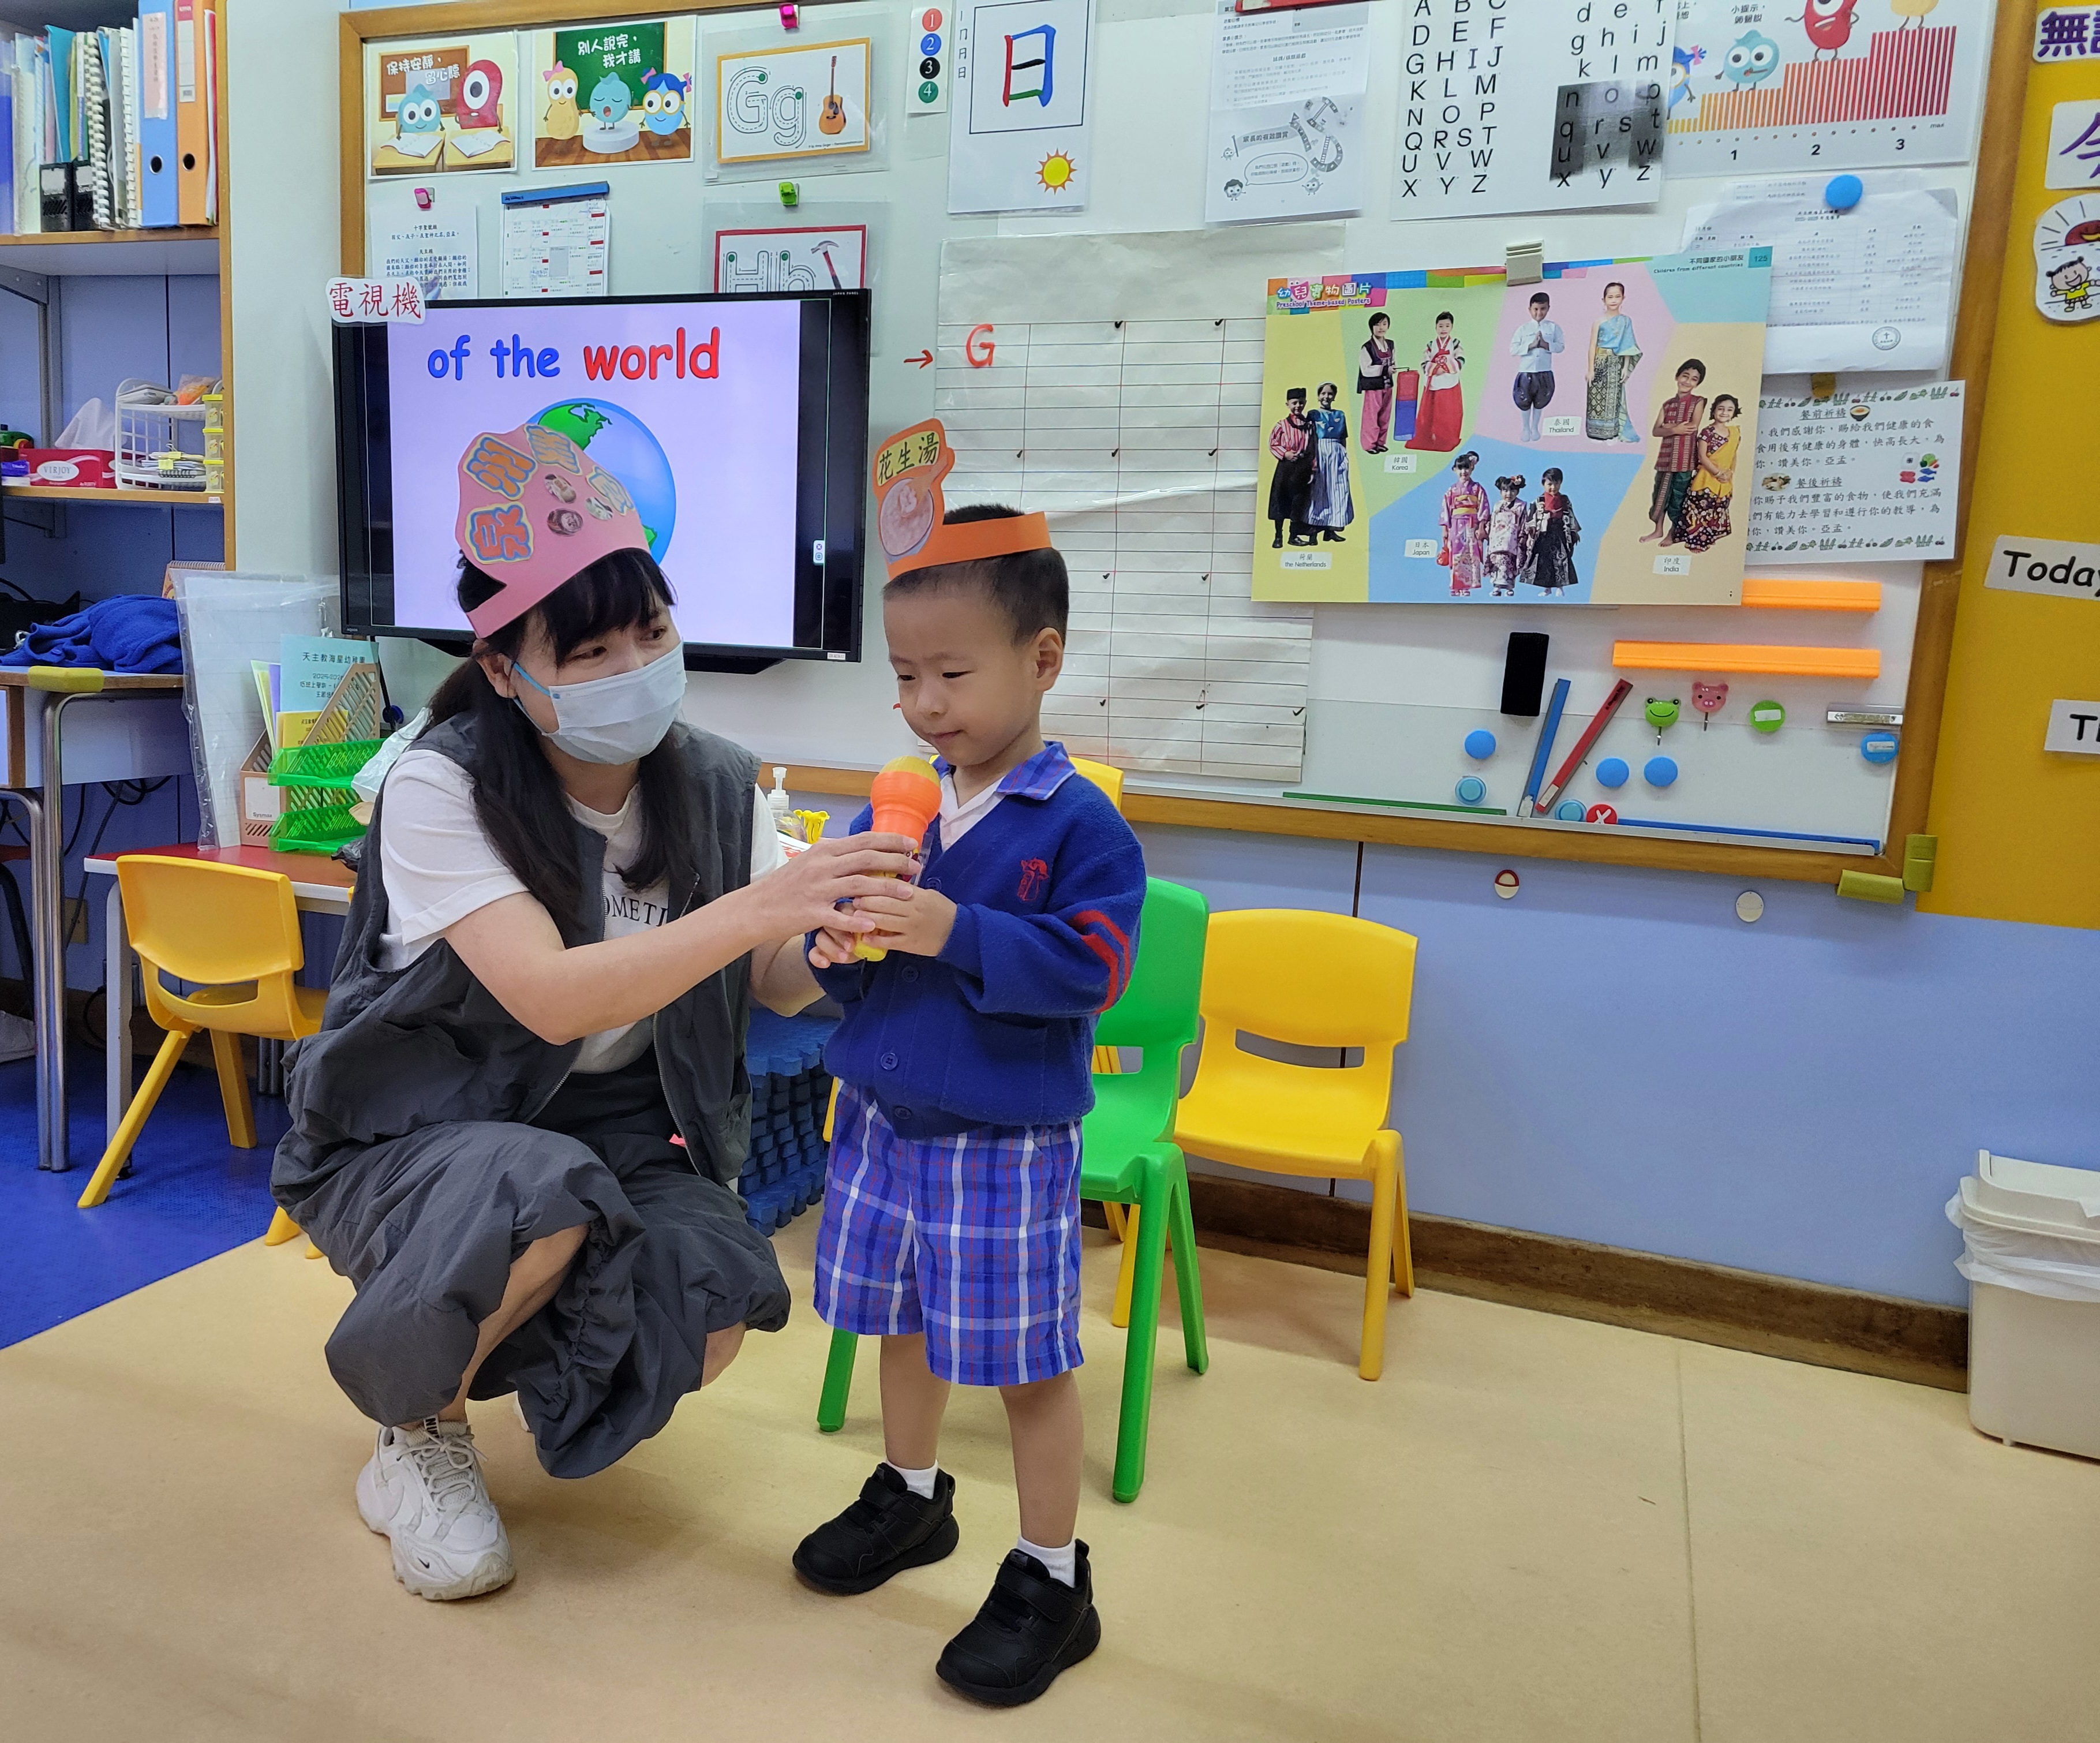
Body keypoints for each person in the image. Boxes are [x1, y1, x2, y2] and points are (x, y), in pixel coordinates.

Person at [271, 423, 919, 1604]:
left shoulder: (715, 780)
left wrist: (841, 941)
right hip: (418, 1130)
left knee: (709, 1297)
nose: (635, 664)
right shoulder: (440, 782)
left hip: (624, 1129)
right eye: (591, 650)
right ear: (503, 669)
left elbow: (768, 977)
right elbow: (549, 994)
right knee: (543, 1198)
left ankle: (467, 1332)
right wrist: (762, 903)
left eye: (652, 633)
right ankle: (417, 1434)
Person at [792, 455, 1146, 1709]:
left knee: (1024, 1362)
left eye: (951, 674)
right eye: (903, 676)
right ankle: (911, 1492)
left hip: (1002, 1142)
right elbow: (848, 976)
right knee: (897, 1322)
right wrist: (835, 948)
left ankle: (1052, 1575)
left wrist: (953, 929)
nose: (923, 705)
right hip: (879, 1122)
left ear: (1041, 660)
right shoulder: (891, 815)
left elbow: (1095, 969)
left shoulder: (1078, 824)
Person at [1642, 359, 1708, 544]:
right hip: (1665, 458)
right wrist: (1675, 429)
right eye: (1685, 376)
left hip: (1684, 459)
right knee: (1660, 496)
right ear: (1677, 377)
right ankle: (1658, 530)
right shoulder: (1667, 405)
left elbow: (1692, 427)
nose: (1688, 381)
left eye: (1694, 379)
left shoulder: (1698, 402)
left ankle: (1673, 533)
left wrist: (1669, 427)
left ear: (1697, 384)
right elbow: (1656, 431)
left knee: (1678, 497)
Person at [1675, 393, 1741, 553]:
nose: (1724, 413)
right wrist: (1717, 473)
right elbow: (1702, 457)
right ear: (1714, 410)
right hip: (1705, 478)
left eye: (1729, 410)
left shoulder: (1734, 433)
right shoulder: (1707, 433)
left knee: (1718, 509)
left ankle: (1710, 538)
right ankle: (1696, 543)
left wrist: (1730, 473)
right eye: (1721, 409)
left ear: (1734, 413)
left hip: (1725, 481)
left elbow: (1733, 455)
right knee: (1701, 510)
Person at [1585, 280, 1643, 443]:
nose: (1614, 300)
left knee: (1614, 397)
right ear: (1603, 299)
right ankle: (1595, 431)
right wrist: (1591, 369)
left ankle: (1611, 432)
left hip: (1616, 364)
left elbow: (1628, 345)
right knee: (1596, 397)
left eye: (1617, 296)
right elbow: (1592, 346)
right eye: (1610, 297)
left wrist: (1625, 367)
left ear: (1623, 298)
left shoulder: (1626, 321)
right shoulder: (1598, 322)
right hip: (1600, 362)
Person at [1406, 310, 1465, 453]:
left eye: (1447, 326)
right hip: (1433, 381)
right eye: (1440, 326)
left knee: (1447, 413)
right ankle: (1427, 438)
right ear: (1436, 327)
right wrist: (1435, 369)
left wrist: (1444, 368)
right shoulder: (1431, 344)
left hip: (1449, 382)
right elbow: (1424, 361)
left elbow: (1461, 359)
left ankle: (1445, 440)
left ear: (1452, 327)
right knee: (1429, 413)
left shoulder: (1455, 343)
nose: (1443, 329)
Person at [1508, 292, 1564, 443]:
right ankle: (1526, 427)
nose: (1539, 313)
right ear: (1530, 309)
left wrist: (1546, 345)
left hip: (1544, 372)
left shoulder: (1553, 328)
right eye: (1536, 309)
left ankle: (1535, 427)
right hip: (1526, 372)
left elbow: (1560, 346)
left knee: (1541, 400)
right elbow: (1513, 349)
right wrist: (1531, 345)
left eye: (1543, 309)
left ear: (1548, 308)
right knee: (1524, 401)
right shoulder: (1523, 329)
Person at [1266, 386, 1316, 548]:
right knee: (1281, 501)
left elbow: (1312, 448)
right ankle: (1278, 537)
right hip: (1286, 468)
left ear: (1305, 403)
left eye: (1301, 403)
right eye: (1294, 403)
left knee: (1298, 502)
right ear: (1288, 404)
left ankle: (1293, 536)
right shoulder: (1281, 425)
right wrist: (1286, 454)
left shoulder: (1309, 425)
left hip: (1302, 468)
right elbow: (1273, 443)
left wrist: (1312, 469)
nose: (1298, 406)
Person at [1306, 381, 1354, 542]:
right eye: (1323, 393)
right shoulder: (1313, 414)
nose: (1326, 397)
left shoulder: (1340, 415)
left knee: (1337, 491)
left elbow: (1343, 438)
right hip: (1320, 453)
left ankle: (1331, 530)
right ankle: (1314, 531)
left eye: (1330, 394)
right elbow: (1309, 438)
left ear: (1334, 397)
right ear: (1318, 396)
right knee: (1319, 490)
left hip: (1337, 454)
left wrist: (1344, 458)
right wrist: (1312, 460)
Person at [1438, 450, 1489, 598]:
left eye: (1466, 468)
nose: (1464, 472)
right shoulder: (1452, 490)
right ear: (1455, 470)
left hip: (1472, 524)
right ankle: (1455, 586)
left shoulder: (1477, 488)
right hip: (1456, 524)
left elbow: (1484, 507)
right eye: (1460, 468)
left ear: (1472, 468)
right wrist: (1445, 528)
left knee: (1470, 554)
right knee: (1456, 554)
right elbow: (1446, 509)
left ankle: (1466, 586)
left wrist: (1481, 526)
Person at [1523, 467, 1582, 593]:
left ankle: (1560, 587)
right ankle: (1547, 588)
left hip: (1560, 532)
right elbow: (1531, 517)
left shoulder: (1565, 500)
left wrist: (1574, 531)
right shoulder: (1539, 501)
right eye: (1550, 484)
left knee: (1561, 559)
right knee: (1545, 561)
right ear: (1543, 484)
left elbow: (1571, 515)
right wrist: (1532, 528)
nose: (1553, 487)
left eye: (1557, 483)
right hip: (1544, 534)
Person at [1357, 311, 1398, 454]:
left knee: (1385, 415)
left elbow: (1393, 361)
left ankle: (1381, 442)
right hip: (1374, 386)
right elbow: (1366, 369)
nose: (1381, 328)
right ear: (1372, 327)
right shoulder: (1367, 347)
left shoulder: (1391, 344)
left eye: (1384, 324)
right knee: (1371, 416)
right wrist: (1386, 369)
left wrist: (1393, 368)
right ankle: (1369, 445)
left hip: (1388, 385)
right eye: (1378, 325)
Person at [1486, 474, 1531, 596]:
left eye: (1513, 491)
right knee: (1497, 563)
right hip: (1497, 539)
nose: (1509, 494)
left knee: (1510, 564)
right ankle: (1496, 587)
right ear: (1501, 492)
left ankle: (1510, 587)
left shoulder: (1521, 506)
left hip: (1512, 539)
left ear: (1517, 492)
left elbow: (1524, 522)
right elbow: (1492, 521)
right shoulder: (1498, 505)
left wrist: (1522, 536)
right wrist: (1488, 532)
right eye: (1505, 491)